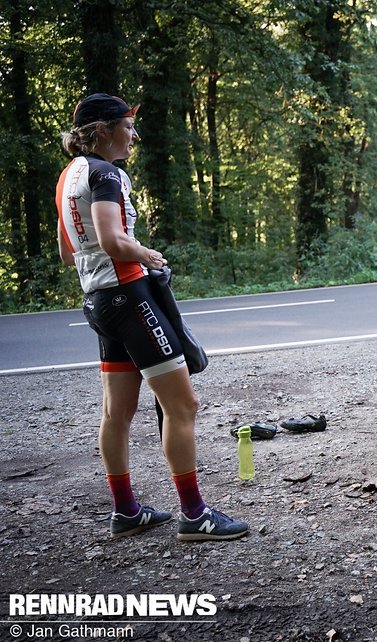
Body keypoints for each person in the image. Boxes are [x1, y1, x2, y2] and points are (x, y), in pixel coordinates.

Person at [57, 93, 249, 541]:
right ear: (101, 130)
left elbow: (69, 253)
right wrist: (148, 254)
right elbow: (111, 239)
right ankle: (195, 515)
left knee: (116, 413)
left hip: (100, 302)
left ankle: (125, 511)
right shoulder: (106, 173)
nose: (135, 135)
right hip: (130, 296)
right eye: (127, 126)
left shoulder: (68, 177)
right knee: (182, 405)